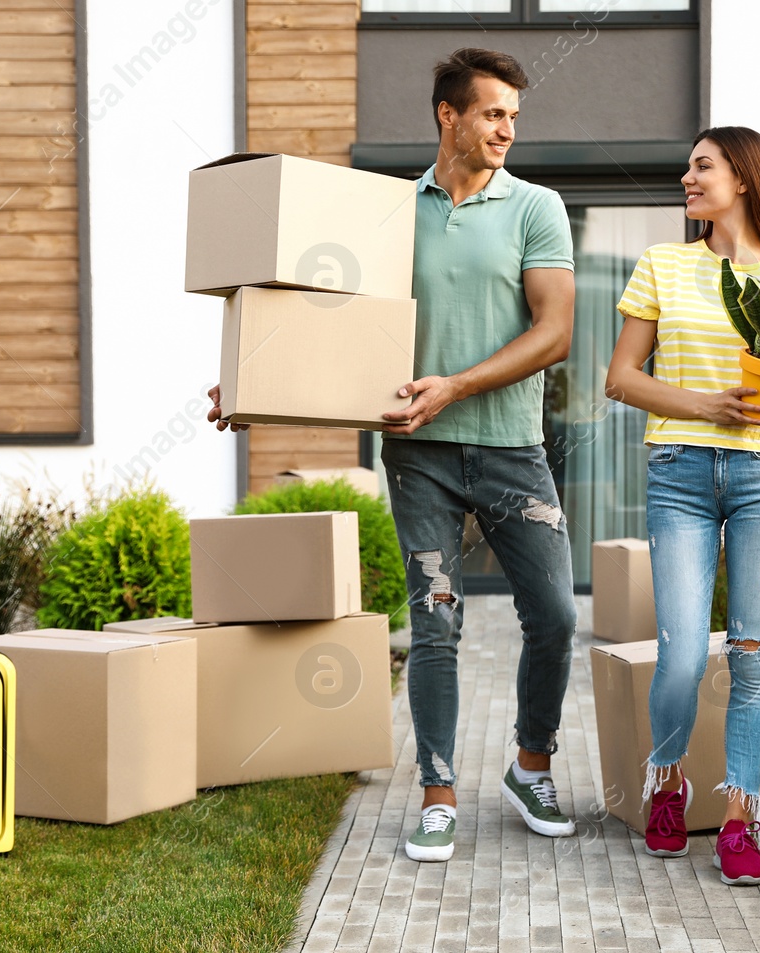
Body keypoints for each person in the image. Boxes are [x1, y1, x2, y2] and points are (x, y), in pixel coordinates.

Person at [209, 48, 579, 865]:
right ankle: (439, 794)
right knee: (437, 622)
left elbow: (554, 332)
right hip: (419, 452)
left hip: (513, 449)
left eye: (514, 117)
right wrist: (247, 383)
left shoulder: (535, 208)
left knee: (554, 615)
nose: (507, 130)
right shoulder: (385, 211)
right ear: (448, 115)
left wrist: (457, 385)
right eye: (492, 114)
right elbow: (312, 302)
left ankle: (531, 765)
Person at [604, 126, 760, 886]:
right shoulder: (665, 265)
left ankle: (740, 814)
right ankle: (667, 782)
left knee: (753, 652)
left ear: (744, 176)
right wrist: (707, 406)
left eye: (702, 165)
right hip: (680, 473)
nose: (687, 176)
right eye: (690, 166)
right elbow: (622, 378)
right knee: (678, 653)